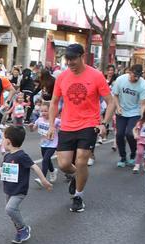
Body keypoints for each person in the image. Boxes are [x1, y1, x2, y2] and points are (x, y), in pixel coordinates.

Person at [45, 44, 115, 213]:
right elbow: (54, 102)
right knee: (63, 164)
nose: (70, 63)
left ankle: (78, 196)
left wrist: (103, 123)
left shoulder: (96, 76)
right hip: (68, 124)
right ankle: (77, 176)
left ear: (82, 56)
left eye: (73, 59)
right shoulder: (62, 77)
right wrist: (51, 125)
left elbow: (111, 102)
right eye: (67, 60)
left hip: (89, 124)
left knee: (81, 160)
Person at [0, 125, 53, 243]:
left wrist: (43, 180)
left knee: (10, 209)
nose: (1, 141)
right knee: (11, 213)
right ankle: (20, 231)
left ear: (8, 141)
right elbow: (3, 168)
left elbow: (34, 167)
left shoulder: (21, 155)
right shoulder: (7, 156)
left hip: (19, 190)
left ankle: (23, 228)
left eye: (2, 139)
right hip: (9, 189)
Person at [111, 64, 145, 168]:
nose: (135, 78)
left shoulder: (143, 85)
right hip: (121, 111)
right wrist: (117, 106)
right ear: (129, 72)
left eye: (138, 76)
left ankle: (133, 154)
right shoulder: (120, 80)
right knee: (119, 134)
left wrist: (143, 118)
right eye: (134, 75)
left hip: (135, 112)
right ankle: (123, 157)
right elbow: (115, 95)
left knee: (130, 134)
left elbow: (143, 104)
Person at [29, 101, 60, 182]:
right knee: (47, 160)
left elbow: (65, 127)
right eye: (42, 111)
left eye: (45, 111)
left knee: (45, 160)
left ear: (51, 111)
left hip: (53, 144)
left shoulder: (56, 121)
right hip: (43, 144)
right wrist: (31, 127)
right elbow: (33, 130)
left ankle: (42, 179)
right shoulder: (39, 120)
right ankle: (53, 171)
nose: (43, 113)